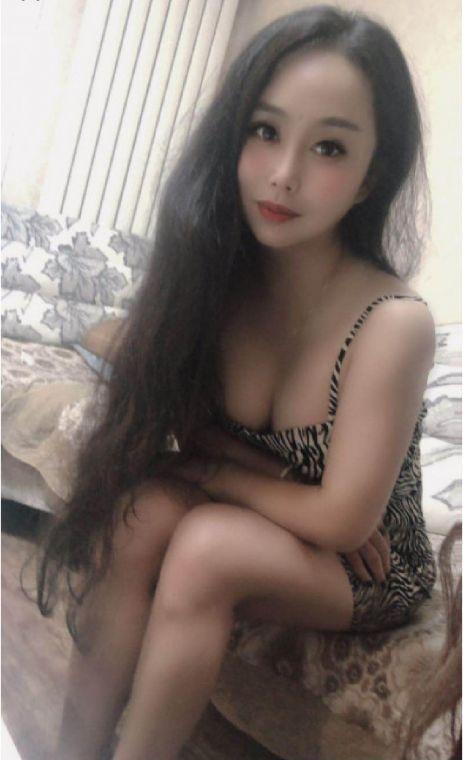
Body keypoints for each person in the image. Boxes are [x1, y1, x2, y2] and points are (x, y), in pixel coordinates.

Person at [35, 5, 438, 759]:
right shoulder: (216, 280)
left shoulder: (391, 322)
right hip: (282, 517)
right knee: (142, 514)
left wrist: (214, 471)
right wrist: (247, 468)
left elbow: (343, 523)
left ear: (371, 176)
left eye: (328, 147)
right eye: (264, 130)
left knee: (207, 546)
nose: (284, 173)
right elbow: (179, 414)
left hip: (370, 569)